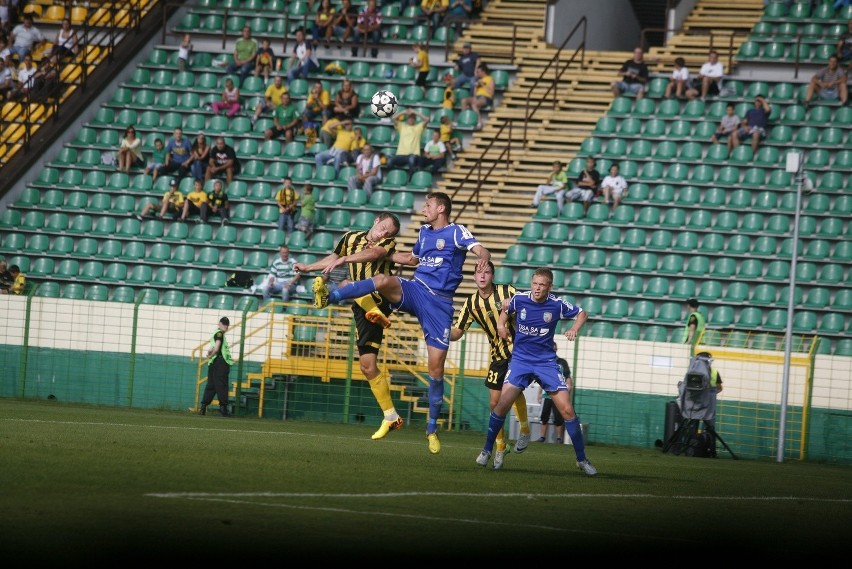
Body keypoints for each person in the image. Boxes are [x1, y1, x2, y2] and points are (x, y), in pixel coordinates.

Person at [312, 192, 492, 454]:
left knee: (436, 370)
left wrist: (482, 256)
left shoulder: (456, 232)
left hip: (439, 304)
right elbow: (411, 260)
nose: (423, 210)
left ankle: (431, 428)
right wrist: (381, 256)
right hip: (416, 289)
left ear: (441, 208)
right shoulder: (423, 233)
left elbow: (480, 248)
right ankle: (331, 296)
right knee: (384, 280)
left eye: (428, 205)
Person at [476, 267, 596, 476]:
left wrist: (574, 328)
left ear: (550, 287)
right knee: (501, 404)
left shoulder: (557, 305)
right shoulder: (519, 299)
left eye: (542, 285)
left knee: (567, 410)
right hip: (521, 361)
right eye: (535, 284)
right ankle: (487, 449)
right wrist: (502, 325)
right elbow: (505, 310)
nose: (537, 288)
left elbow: (582, 313)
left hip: (546, 363)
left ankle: (581, 459)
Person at [294, 213, 404, 440]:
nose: (383, 233)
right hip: (361, 306)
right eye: (382, 227)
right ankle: (392, 416)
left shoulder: (387, 244)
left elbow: (373, 254)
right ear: (375, 221)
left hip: (381, 296)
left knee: (358, 287)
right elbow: (333, 257)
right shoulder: (350, 238)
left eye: (388, 232)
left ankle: (357, 305)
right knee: (367, 366)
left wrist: (344, 260)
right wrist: (308, 267)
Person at [450, 261, 532, 469]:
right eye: (479, 272)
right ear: (474, 277)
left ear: (492, 275)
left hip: (519, 352)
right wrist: (438, 332)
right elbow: (457, 332)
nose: (483, 275)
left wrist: (513, 305)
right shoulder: (470, 303)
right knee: (495, 403)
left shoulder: (507, 291)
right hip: (497, 355)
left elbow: (528, 303)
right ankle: (500, 446)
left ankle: (524, 430)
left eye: (487, 272)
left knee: (510, 392)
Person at [199, 317, 234, 418]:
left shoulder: (215, 333)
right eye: (224, 324)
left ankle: (203, 407)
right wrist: (211, 354)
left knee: (212, 385)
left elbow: (212, 347)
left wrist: (210, 353)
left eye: (227, 325)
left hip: (213, 363)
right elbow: (217, 347)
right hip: (221, 363)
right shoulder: (220, 334)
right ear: (219, 323)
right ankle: (223, 410)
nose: (226, 326)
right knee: (222, 386)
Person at [536, 345, 571, 444]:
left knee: (558, 417)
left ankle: (559, 439)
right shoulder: (544, 362)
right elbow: (541, 379)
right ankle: (542, 437)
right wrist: (539, 394)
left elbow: (567, 377)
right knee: (544, 416)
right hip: (546, 394)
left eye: (554, 348)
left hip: (559, 394)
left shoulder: (562, 362)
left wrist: (569, 389)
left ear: (556, 349)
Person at [389, 109, 429, 179]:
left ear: (415, 119)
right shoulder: (402, 126)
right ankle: (397, 176)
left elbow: (427, 119)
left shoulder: (418, 127)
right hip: (401, 155)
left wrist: (415, 112)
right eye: (410, 117)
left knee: (411, 159)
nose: (411, 119)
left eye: (413, 118)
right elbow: (392, 119)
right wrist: (403, 112)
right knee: (390, 161)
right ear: (407, 119)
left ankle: (410, 180)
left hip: (412, 155)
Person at [459, 63, 494, 130]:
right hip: (478, 97)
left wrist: (483, 85)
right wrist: (475, 87)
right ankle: (464, 118)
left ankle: (479, 122)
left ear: (483, 72)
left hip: (486, 97)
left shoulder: (490, 79)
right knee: (464, 100)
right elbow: (475, 95)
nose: (477, 73)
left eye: (478, 72)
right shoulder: (479, 80)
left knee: (474, 104)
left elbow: (491, 93)